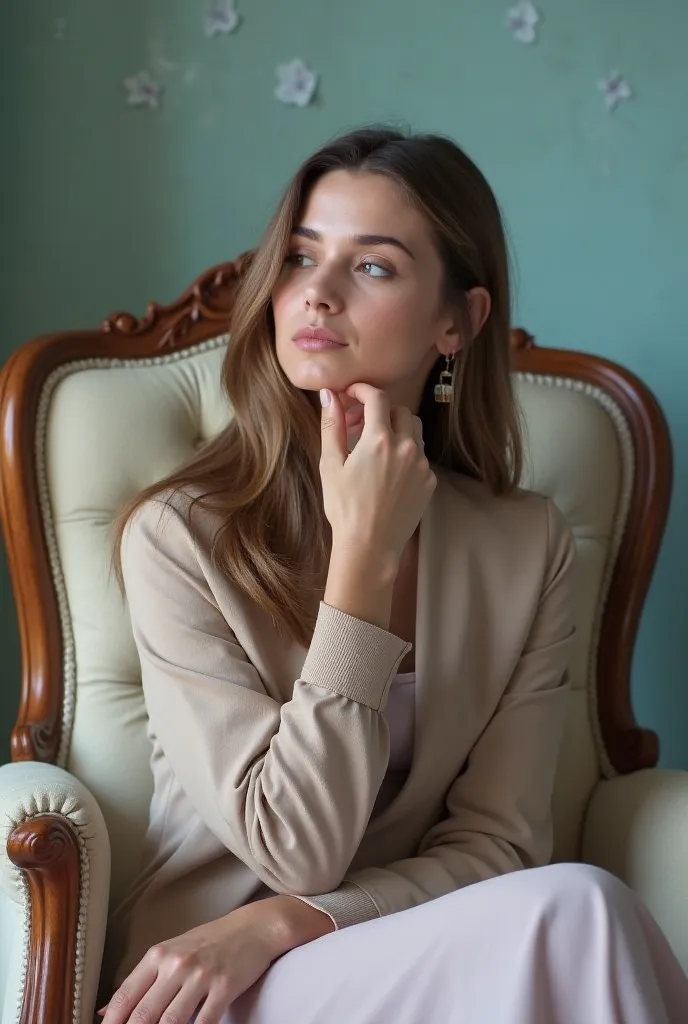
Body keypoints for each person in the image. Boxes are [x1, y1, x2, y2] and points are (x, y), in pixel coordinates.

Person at [103, 127, 688, 1024]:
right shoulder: (181, 540)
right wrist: (364, 561)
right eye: (301, 256)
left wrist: (293, 921)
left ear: (457, 321)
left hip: (405, 949)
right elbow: (296, 846)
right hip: (216, 980)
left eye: (372, 267)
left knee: (582, 907)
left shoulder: (527, 545)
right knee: (584, 912)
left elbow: (500, 845)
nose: (319, 293)